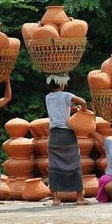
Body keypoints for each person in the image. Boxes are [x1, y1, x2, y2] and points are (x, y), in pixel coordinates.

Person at [45, 74, 90, 206]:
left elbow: (58, 111)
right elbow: (83, 102)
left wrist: (71, 110)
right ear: (61, 83)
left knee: (54, 165)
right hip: (67, 134)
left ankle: (55, 199)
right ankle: (79, 197)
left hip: (54, 135)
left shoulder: (48, 97)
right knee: (75, 163)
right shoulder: (66, 95)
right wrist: (84, 112)